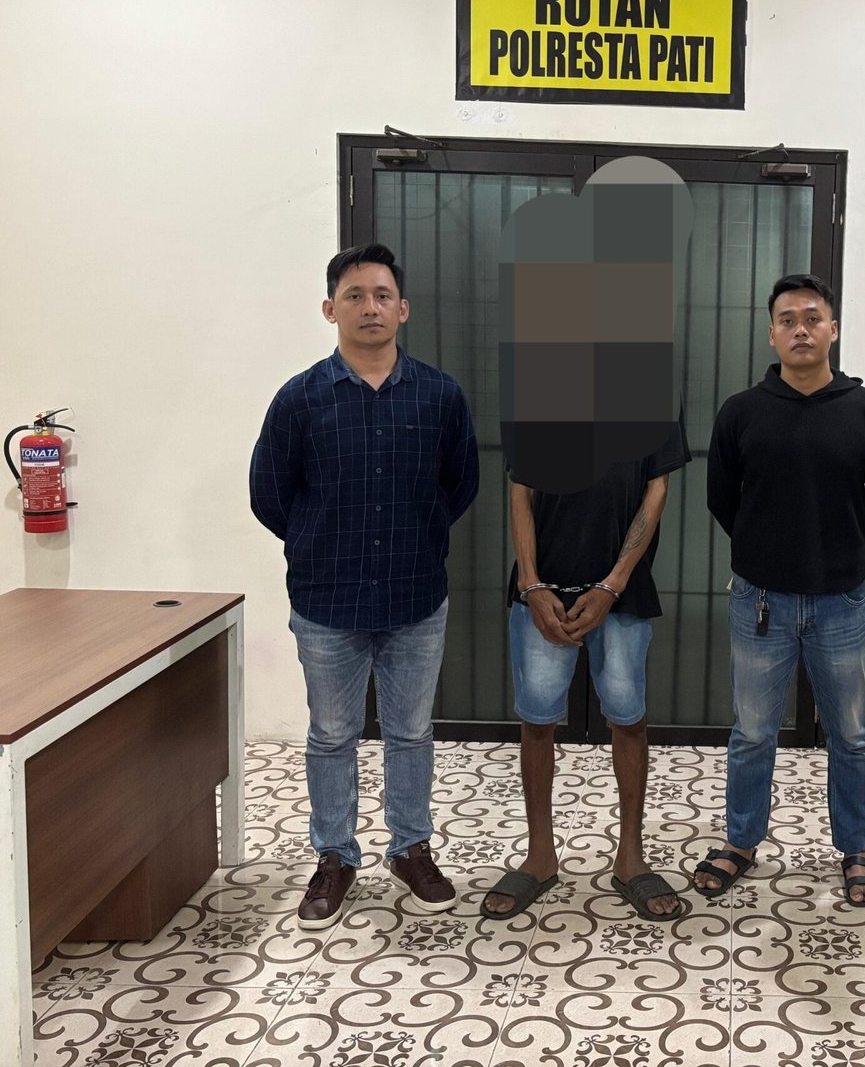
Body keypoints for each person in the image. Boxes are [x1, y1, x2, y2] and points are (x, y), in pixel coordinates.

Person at [250, 243, 480, 930]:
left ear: (403, 309)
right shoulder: (299, 399)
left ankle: (411, 849)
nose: (369, 307)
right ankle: (334, 857)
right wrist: (318, 543)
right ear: (330, 310)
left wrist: (417, 536)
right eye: (354, 296)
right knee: (331, 735)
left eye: (382, 295)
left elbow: (460, 484)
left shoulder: (439, 395)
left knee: (411, 731)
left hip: (415, 596)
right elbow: (269, 493)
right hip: (327, 601)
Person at [692, 274, 865, 906]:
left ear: (833, 329)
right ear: (772, 333)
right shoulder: (741, 412)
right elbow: (722, 498)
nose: (800, 329)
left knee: (851, 733)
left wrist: (836, 542)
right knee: (753, 732)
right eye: (788, 320)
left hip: (842, 600)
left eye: (812, 318)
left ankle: (856, 847)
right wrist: (768, 547)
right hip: (760, 601)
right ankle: (741, 842)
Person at [478, 419, 692, 922]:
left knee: (628, 718)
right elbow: (521, 488)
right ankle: (540, 856)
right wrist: (530, 583)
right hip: (541, 588)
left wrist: (614, 583)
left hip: (624, 589)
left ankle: (631, 857)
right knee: (537, 721)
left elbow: (656, 490)